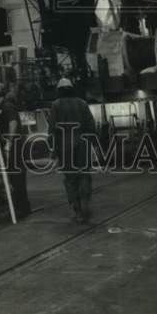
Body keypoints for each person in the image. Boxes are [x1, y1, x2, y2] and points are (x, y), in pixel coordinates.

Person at [47, 78, 97, 224]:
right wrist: (92, 144)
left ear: (59, 90)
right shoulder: (82, 103)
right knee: (84, 176)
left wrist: (54, 150)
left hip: (65, 148)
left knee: (70, 179)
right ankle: (85, 205)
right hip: (83, 146)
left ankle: (77, 210)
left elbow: (52, 130)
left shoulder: (56, 105)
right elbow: (91, 125)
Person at [0, 89, 31, 219]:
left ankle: (21, 209)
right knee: (14, 177)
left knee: (17, 178)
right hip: (14, 146)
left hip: (15, 147)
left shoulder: (7, 106)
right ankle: (22, 207)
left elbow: (13, 123)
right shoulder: (2, 108)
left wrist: (9, 143)